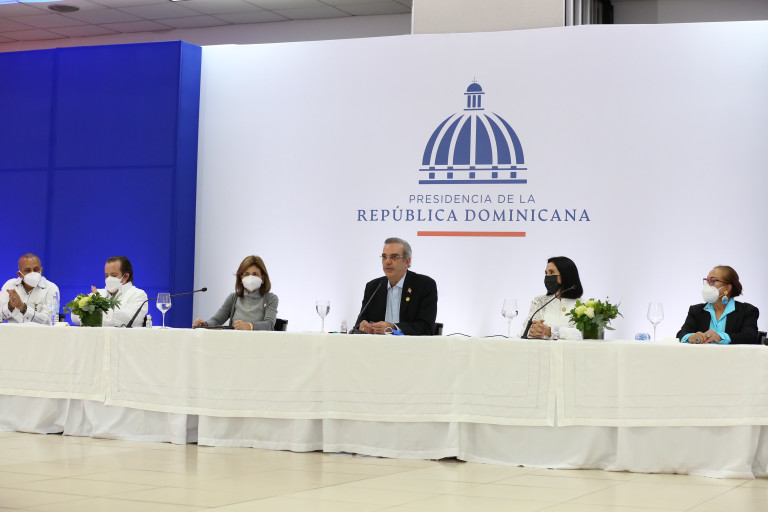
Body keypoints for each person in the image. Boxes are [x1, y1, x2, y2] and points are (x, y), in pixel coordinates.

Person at [355, 237, 438, 336]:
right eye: (384, 257)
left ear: (407, 261)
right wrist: (362, 326)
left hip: (411, 345)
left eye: (394, 257)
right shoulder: (373, 287)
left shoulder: (425, 285)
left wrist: (394, 328)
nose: (387, 262)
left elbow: (426, 327)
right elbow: (360, 321)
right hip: (378, 344)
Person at [677, 266, 759, 344]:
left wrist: (721, 337)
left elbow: (750, 337)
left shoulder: (747, 311)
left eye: (712, 280)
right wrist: (690, 337)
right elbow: (682, 333)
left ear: (727, 288)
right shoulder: (696, 310)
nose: (708, 285)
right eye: (707, 280)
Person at [193, 255, 278, 330]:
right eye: (246, 274)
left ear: (262, 278)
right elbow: (217, 320)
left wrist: (249, 326)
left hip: (258, 342)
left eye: (255, 274)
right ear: (241, 277)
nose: (251, 278)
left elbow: (269, 325)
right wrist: (205, 324)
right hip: (234, 341)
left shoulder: (270, 298)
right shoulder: (233, 298)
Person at [71, 256, 148, 327]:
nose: (108, 279)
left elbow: (130, 319)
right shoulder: (99, 293)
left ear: (126, 276)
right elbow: (75, 317)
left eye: (113, 275)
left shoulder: (139, 294)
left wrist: (99, 304)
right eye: (107, 275)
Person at [521, 256, 584, 340]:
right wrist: (534, 331)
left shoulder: (583, 305)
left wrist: (550, 331)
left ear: (566, 275)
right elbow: (525, 330)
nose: (548, 276)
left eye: (552, 272)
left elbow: (580, 334)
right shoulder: (540, 301)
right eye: (546, 273)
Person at [0, 253, 60, 324]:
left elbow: (50, 321)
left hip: (38, 331)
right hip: (12, 331)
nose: (32, 273)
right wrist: (9, 307)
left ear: (41, 271)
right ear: (20, 274)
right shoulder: (10, 286)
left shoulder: (51, 288)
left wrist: (23, 308)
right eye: (28, 270)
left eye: (36, 269)